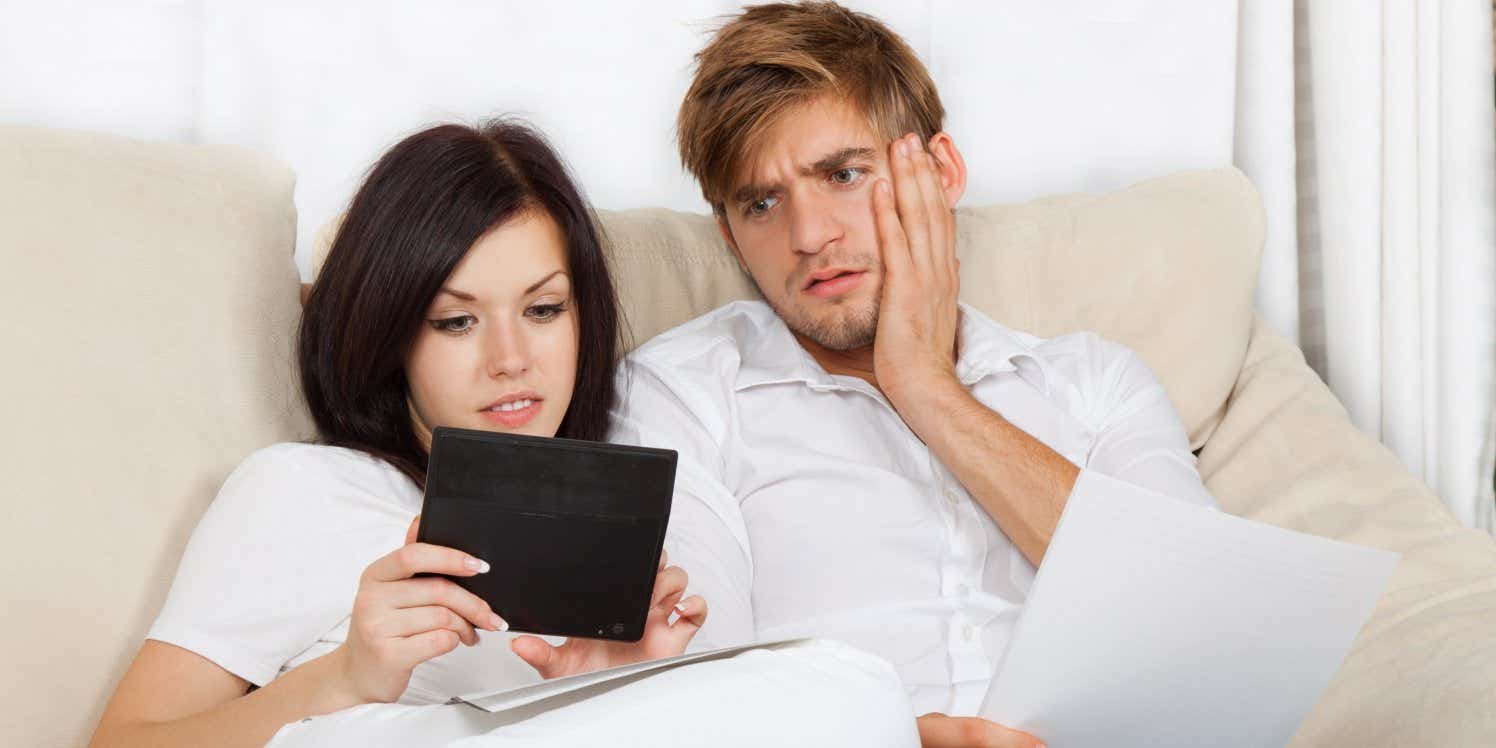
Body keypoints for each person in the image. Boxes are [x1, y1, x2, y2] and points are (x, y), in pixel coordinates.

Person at [88, 121, 917, 748]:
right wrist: (345, 678)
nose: (511, 360)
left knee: (852, 694)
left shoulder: (681, 494)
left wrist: (623, 690)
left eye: (544, 309)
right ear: (389, 337)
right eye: (456, 322)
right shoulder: (307, 492)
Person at [610, 3, 1222, 747]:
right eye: (761, 203)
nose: (808, 237)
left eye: (842, 174)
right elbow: (692, 690)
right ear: (730, 237)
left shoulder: (1095, 382)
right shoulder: (684, 393)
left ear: (940, 171)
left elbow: (1201, 629)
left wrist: (927, 387)